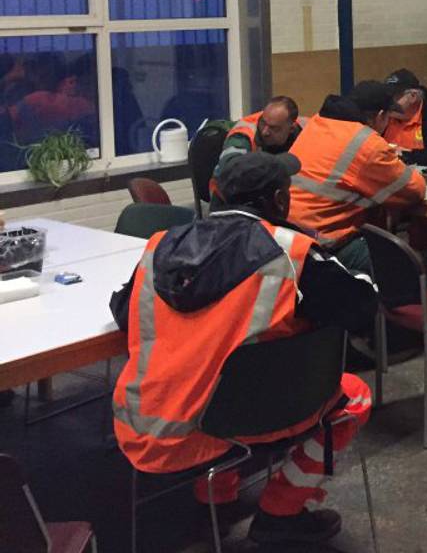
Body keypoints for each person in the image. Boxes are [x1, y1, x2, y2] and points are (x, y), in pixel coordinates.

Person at [110, 152, 378, 545]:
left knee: (208, 373)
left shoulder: (158, 247)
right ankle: (281, 512)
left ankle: (216, 496)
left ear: (216, 194)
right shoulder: (292, 253)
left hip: (150, 426)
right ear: (279, 201)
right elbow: (362, 306)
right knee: (354, 396)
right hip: (243, 423)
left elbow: (122, 310)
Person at [288, 81, 427, 274]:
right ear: (380, 116)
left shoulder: (318, 123)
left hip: (289, 236)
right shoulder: (366, 143)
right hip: (325, 244)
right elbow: (414, 189)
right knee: (403, 263)